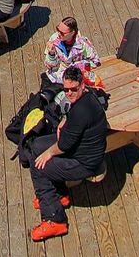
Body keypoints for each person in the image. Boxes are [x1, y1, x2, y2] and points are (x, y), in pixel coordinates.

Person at [26, 67, 109, 241]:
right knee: (36, 145)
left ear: (82, 86)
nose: (69, 93)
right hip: (78, 148)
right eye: (66, 89)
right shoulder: (87, 98)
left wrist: (48, 154)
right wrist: (64, 120)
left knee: (39, 165)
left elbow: (63, 146)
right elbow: (71, 125)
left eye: (73, 89)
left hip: (85, 162)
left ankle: (54, 219)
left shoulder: (82, 111)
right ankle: (58, 195)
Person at [42, 17, 99, 92]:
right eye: (58, 29)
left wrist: (79, 65)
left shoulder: (83, 44)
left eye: (62, 33)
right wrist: (51, 54)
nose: (58, 34)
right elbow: (49, 65)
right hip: (58, 76)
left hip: (77, 77)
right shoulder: (54, 40)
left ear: (72, 32)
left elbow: (96, 61)